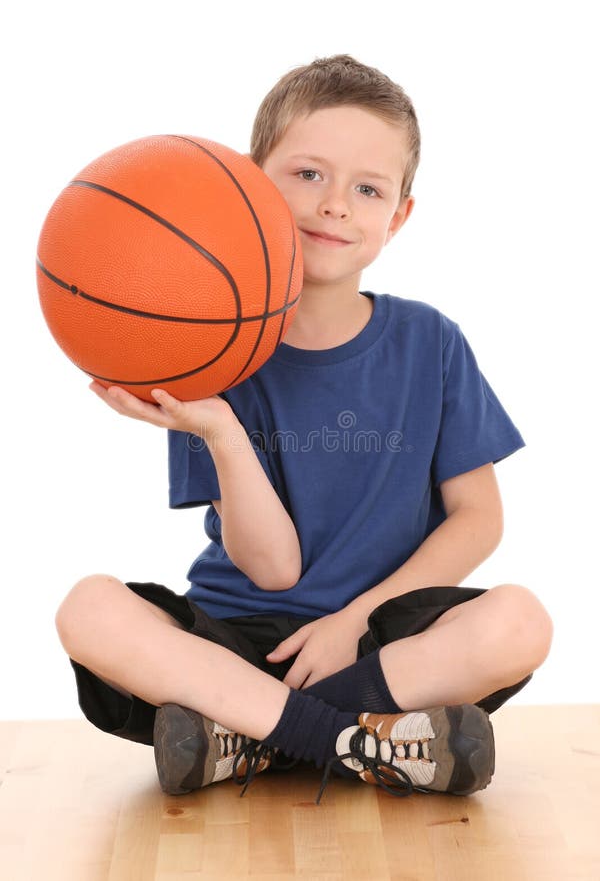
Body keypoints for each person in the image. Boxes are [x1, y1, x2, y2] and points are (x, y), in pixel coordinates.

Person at [55, 54, 553, 806]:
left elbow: (479, 518)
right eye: (308, 175)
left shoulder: (432, 342)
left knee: (521, 621)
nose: (335, 206)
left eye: (368, 189)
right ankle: (359, 742)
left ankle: (245, 738)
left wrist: (352, 621)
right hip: (238, 640)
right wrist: (218, 428)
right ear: (253, 184)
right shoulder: (205, 352)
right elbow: (274, 572)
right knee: (87, 608)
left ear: (400, 215)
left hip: (383, 643)